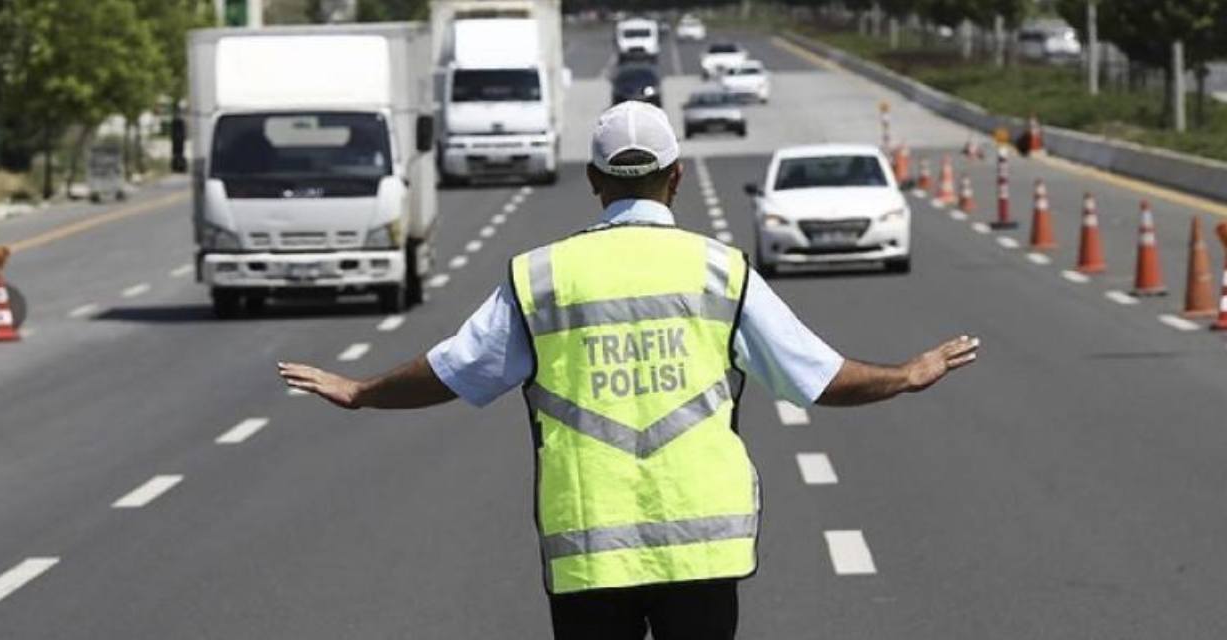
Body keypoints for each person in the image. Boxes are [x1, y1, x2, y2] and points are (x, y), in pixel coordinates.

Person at [278, 101, 980, 639]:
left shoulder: (543, 277)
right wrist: (907, 373)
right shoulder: (719, 271)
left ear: (594, 181)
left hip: (590, 547)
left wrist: (360, 391)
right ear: (676, 177)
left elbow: (456, 370)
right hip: (704, 549)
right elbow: (817, 378)